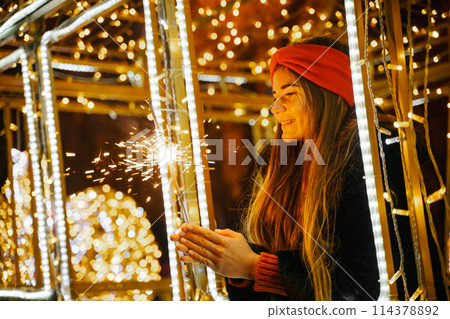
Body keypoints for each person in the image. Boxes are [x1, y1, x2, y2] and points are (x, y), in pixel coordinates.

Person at [170, 37, 381, 300]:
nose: (275, 107)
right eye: (275, 95)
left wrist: (254, 266)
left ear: (327, 93)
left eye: (289, 94)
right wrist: (234, 261)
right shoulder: (278, 164)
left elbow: (365, 287)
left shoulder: (370, 158)